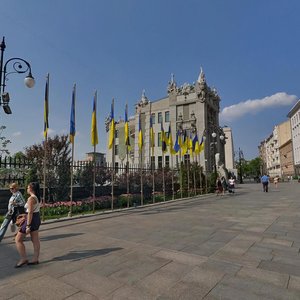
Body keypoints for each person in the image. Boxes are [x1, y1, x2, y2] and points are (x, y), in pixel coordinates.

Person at [14, 182, 41, 268]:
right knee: (35, 239)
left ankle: (23, 258)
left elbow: (30, 213)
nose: (27, 189)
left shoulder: (31, 199)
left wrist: (28, 226)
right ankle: (35, 258)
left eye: (28, 187)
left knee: (18, 240)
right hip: (36, 218)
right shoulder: (37, 197)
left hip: (31, 220)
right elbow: (32, 211)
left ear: (31, 189)